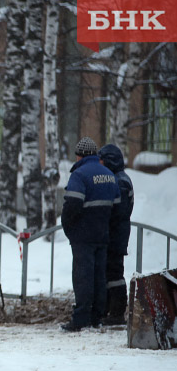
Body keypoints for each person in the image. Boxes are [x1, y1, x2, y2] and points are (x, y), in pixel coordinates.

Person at [60, 137, 121, 332]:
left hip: (83, 236)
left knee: (83, 277)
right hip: (102, 234)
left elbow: (72, 206)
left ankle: (81, 318)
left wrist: (69, 229)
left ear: (79, 156)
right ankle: (97, 317)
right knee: (99, 276)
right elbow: (118, 208)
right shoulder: (109, 175)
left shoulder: (79, 175)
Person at [98, 144, 134, 325]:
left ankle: (117, 311)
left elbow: (117, 210)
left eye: (102, 160)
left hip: (115, 235)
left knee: (114, 273)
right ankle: (109, 310)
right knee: (110, 271)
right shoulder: (120, 178)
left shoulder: (119, 181)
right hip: (116, 234)